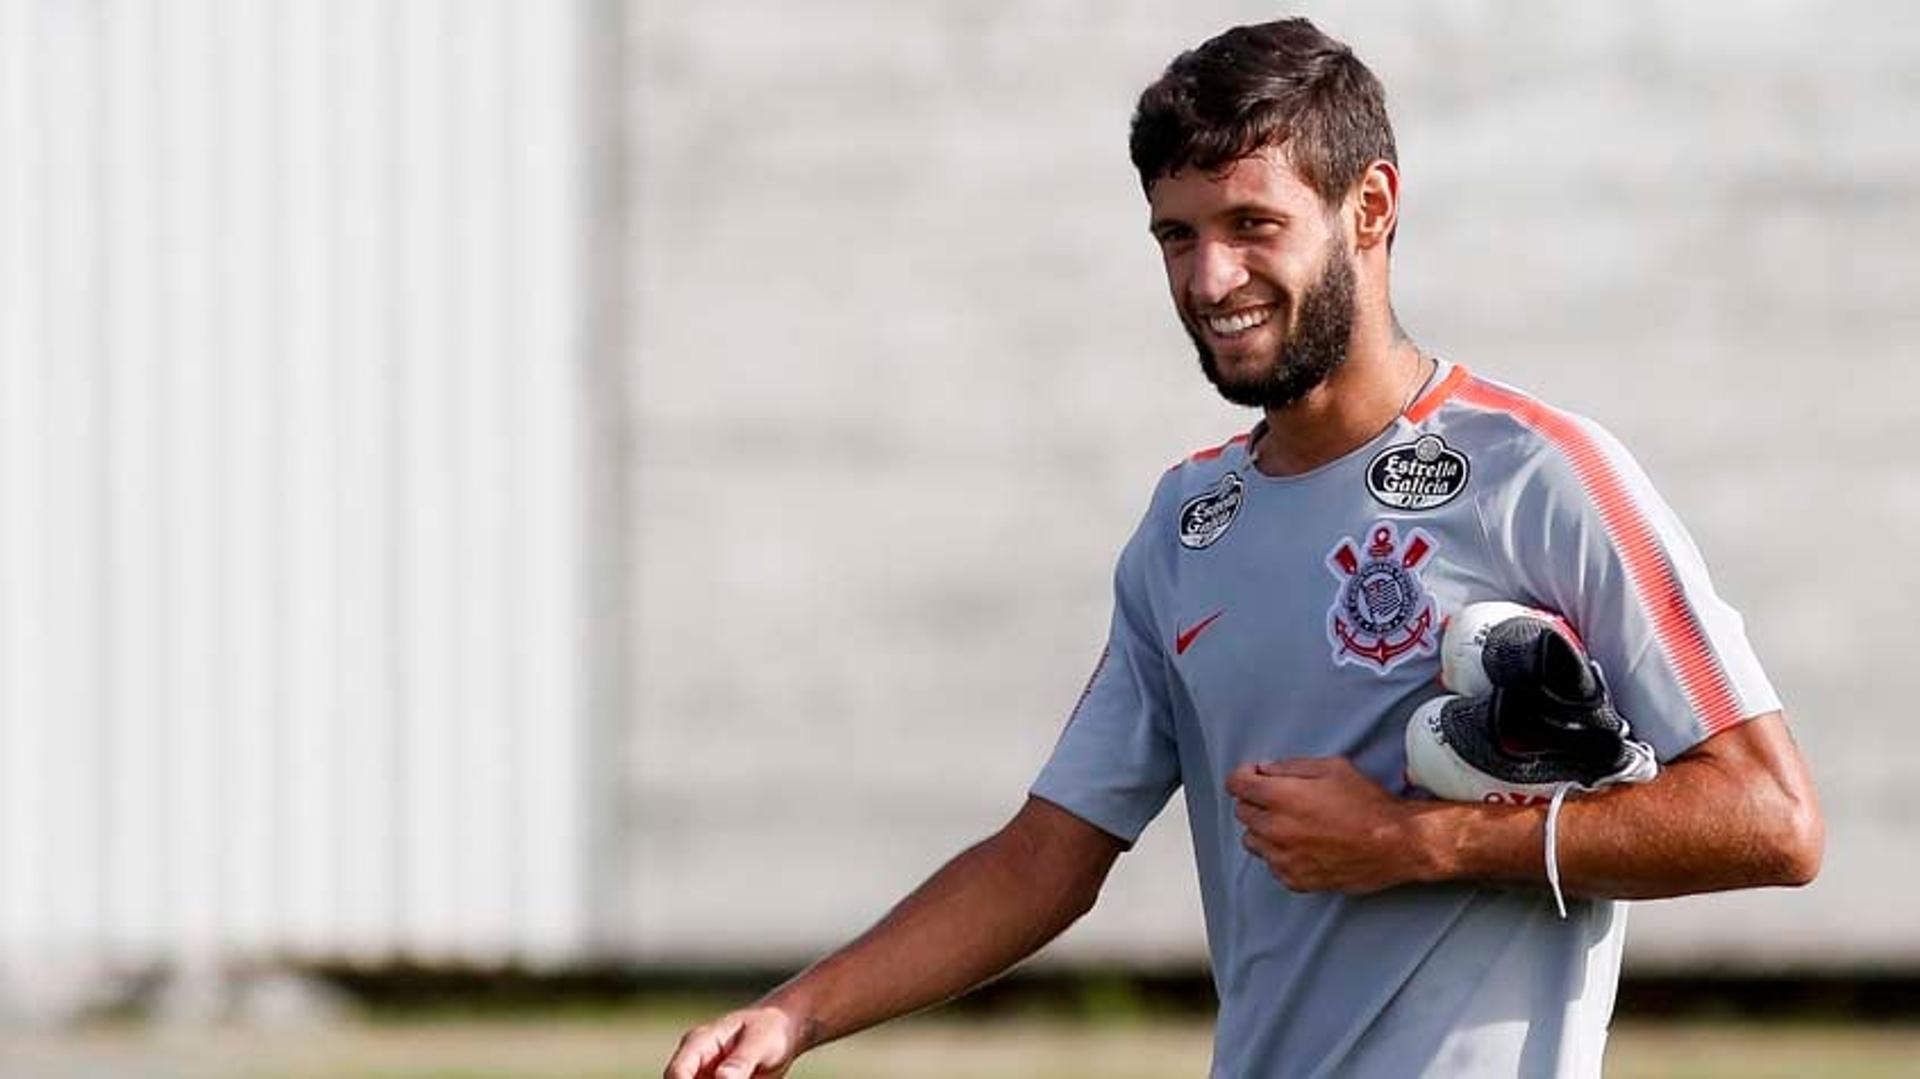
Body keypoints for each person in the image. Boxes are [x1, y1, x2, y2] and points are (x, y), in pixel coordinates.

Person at [664, 17, 1822, 1079]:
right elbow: (1048, 852)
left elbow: (1773, 818)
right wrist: (798, 1013)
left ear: (1370, 208)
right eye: (1177, 233)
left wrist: (1420, 841)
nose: (1208, 279)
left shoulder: (1542, 474)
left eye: (1252, 224)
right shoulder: (1184, 526)